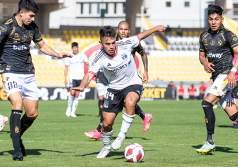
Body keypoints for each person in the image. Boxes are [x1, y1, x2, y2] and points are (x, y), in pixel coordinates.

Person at [0, 0, 71, 161]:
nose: (33, 19)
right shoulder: (7, 26)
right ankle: (17, 149)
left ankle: (16, 135)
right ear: (22, 12)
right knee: (17, 104)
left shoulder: (32, 27)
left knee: (32, 113)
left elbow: (42, 45)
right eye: (31, 16)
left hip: (28, 72)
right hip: (10, 71)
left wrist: (57, 54)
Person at [72, 24, 165, 158]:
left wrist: (156, 29)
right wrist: (82, 85)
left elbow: (140, 36)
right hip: (114, 88)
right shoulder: (99, 57)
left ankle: (121, 136)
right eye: (107, 44)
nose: (111, 46)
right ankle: (106, 147)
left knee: (130, 101)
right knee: (106, 123)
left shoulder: (125, 43)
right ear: (101, 43)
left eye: (112, 43)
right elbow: (89, 74)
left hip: (133, 83)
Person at [196, 5, 238, 154]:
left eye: (217, 19)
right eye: (211, 19)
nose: (214, 22)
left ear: (222, 19)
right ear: (208, 20)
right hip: (217, 77)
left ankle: (209, 142)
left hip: (226, 75)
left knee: (206, 104)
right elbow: (201, 55)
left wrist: (232, 72)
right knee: (234, 115)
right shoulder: (204, 36)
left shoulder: (228, 35)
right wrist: (204, 62)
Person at [84, 21, 153, 140]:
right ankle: (144, 116)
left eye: (126, 30)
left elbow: (144, 54)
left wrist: (145, 70)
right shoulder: (112, 41)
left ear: (129, 31)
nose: (123, 32)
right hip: (114, 78)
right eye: (121, 29)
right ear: (117, 30)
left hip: (128, 79)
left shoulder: (130, 42)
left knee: (123, 102)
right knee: (115, 102)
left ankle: (98, 130)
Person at [206, 54, 238, 129]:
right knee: (230, 105)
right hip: (228, 82)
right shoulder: (226, 57)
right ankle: (234, 118)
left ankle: (235, 123)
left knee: (237, 105)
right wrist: (212, 78)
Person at [64, 42, 89, 117]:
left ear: (78, 48)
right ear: (72, 48)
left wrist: (88, 79)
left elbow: (87, 65)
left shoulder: (83, 55)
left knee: (77, 95)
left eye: (75, 47)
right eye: (73, 48)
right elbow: (66, 68)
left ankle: (73, 112)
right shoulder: (69, 56)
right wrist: (65, 78)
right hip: (72, 77)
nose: (74, 49)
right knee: (72, 93)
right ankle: (68, 109)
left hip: (80, 78)